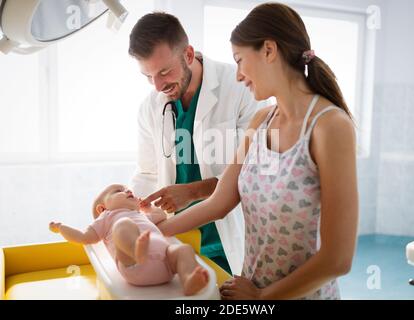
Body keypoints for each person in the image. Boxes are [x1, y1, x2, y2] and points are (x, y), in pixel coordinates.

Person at [145, 2, 359, 299]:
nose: (238, 75)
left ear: (269, 51)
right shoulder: (261, 121)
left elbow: (338, 259)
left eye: (240, 60)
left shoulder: (330, 126)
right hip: (250, 287)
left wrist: (262, 297)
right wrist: (152, 232)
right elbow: (219, 201)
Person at [128, 12, 266, 276]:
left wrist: (192, 192)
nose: (157, 86)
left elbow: (257, 173)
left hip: (233, 238)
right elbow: (147, 173)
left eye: (164, 72)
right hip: (181, 241)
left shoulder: (241, 87)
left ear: (188, 55)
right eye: (148, 76)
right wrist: (127, 208)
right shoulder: (150, 107)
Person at [49, 184, 209, 295]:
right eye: (119, 190)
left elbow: (161, 215)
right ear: (102, 208)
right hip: (132, 263)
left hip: (166, 264)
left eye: (127, 189)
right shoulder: (107, 217)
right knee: (123, 225)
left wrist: (147, 208)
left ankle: (188, 278)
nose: (127, 191)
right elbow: (84, 237)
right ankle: (135, 250)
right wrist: (62, 228)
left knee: (183, 249)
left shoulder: (141, 215)